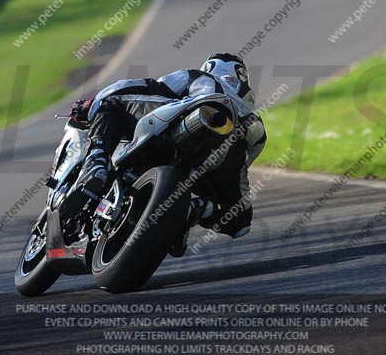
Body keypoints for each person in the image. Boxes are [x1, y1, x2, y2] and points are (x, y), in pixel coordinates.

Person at [66, 53, 266, 242]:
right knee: (240, 221)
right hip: (223, 156)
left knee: (110, 102)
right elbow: (245, 164)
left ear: (210, 67)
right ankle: (194, 210)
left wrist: (91, 104)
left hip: (186, 121)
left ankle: (96, 161)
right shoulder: (256, 124)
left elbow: (146, 86)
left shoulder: (198, 76)